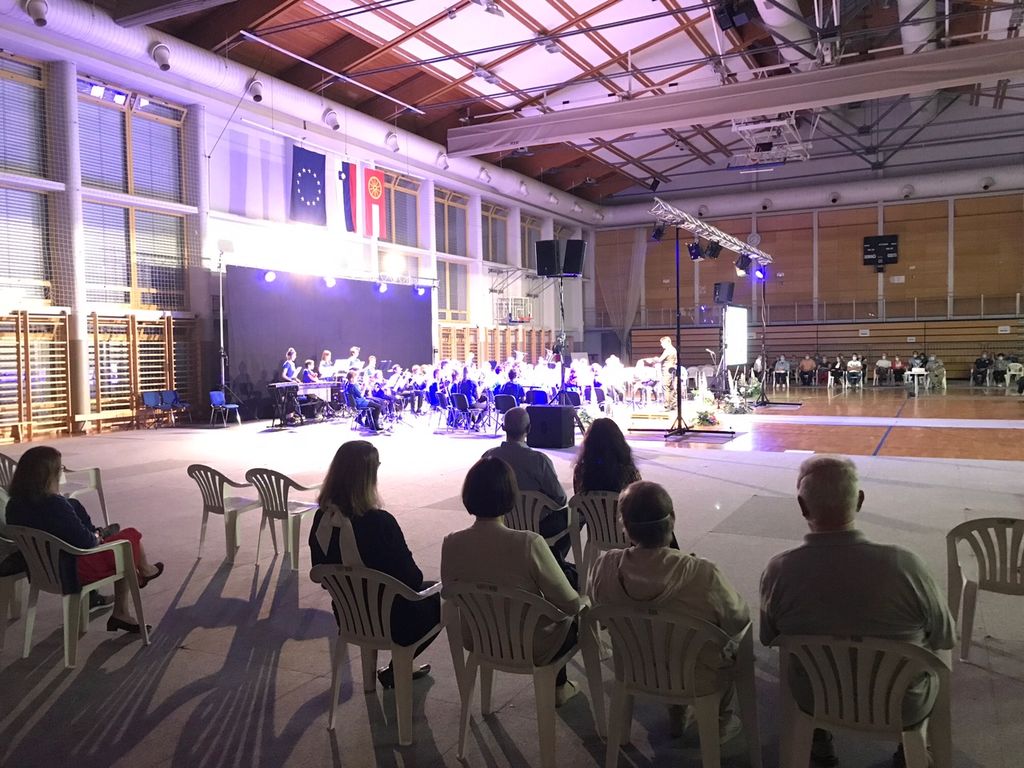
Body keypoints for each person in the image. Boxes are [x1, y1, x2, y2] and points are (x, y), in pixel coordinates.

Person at [759, 455, 954, 768]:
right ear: (860, 500)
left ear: (802, 507)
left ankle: (819, 742)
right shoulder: (905, 565)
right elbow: (944, 636)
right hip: (902, 705)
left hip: (818, 697)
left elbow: (769, 637)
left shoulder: (779, 570)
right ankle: (910, 751)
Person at [589, 481, 749, 741]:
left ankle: (678, 710)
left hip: (636, 665)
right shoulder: (703, 574)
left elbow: (602, 614)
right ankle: (720, 721)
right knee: (728, 646)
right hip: (696, 674)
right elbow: (739, 619)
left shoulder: (604, 567)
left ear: (624, 525)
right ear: (672, 519)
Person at [441, 457, 583, 706]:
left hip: (479, 637)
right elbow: (570, 605)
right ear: (510, 495)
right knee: (576, 609)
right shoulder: (529, 543)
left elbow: (451, 592)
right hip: (535, 643)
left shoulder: (451, 542)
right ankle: (560, 687)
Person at [309, 441, 438, 688]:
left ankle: (389, 672)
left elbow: (322, 575)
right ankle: (399, 666)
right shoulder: (380, 523)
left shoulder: (322, 519)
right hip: (392, 620)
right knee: (442, 597)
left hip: (349, 615)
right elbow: (412, 579)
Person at [5, 446, 163, 634]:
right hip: (71, 569)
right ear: (49, 475)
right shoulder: (55, 505)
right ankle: (141, 574)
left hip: (41, 570)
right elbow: (86, 543)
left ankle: (133, 584)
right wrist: (96, 537)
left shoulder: (13, 505)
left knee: (114, 542)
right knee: (129, 539)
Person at [482, 407, 572, 576]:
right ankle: (553, 560)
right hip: (538, 524)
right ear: (529, 429)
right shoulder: (539, 460)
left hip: (500, 522)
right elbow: (560, 499)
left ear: (503, 427)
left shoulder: (488, 457)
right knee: (575, 516)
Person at [572, 418, 640, 495]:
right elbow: (637, 496)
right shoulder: (629, 471)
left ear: (589, 443)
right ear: (618, 442)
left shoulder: (580, 471)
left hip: (589, 503)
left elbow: (578, 496)